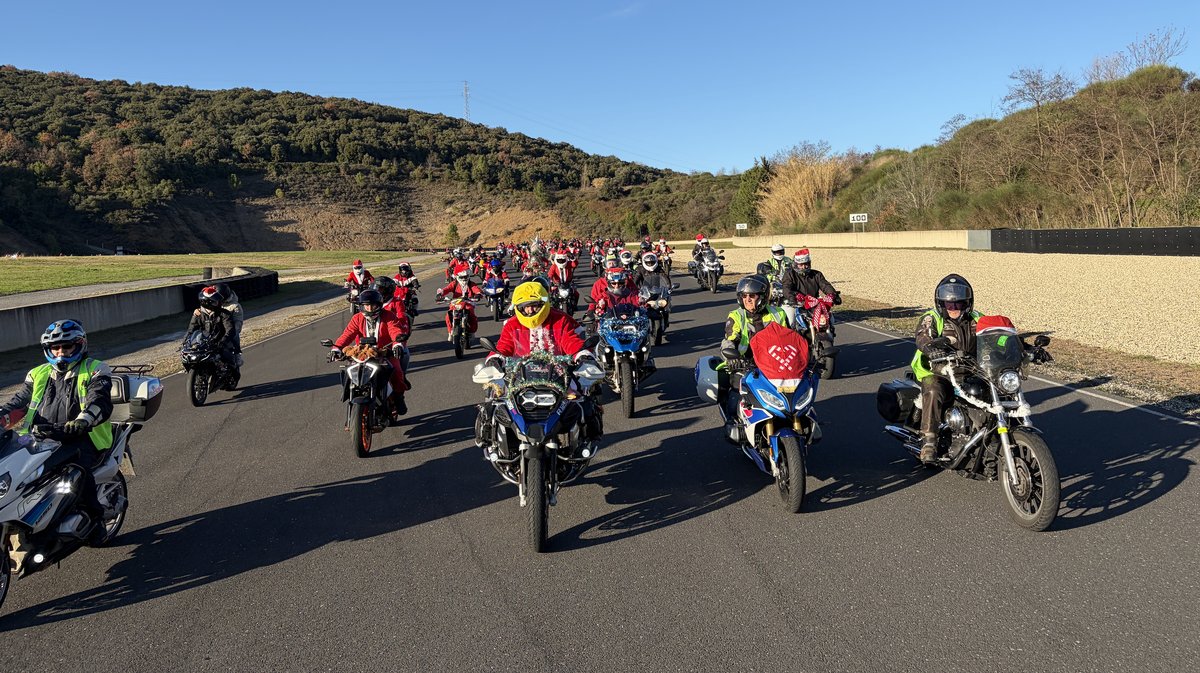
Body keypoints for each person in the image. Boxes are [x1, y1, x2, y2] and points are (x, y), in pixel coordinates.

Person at [0, 320, 114, 525]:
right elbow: (18, 404)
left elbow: (99, 400)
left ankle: (96, 520)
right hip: (38, 437)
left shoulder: (96, 369)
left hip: (82, 437)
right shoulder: (37, 374)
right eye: (55, 347)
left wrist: (83, 420)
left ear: (79, 345)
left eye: (67, 346)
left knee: (76, 472)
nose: (61, 352)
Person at [479, 282, 603, 446]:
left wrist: (582, 355)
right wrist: (495, 358)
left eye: (535, 305)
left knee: (582, 399)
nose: (530, 310)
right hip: (519, 376)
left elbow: (571, 342)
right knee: (494, 398)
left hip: (559, 375)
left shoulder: (560, 320)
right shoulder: (512, 324)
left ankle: (587, 439)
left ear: (544, 304)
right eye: (525, 307)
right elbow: (503, 347)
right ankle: (489, 435)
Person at [911, 274, 984, 463]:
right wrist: (930, 348)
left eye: (958, 303)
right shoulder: (932, 318)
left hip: (972, 371)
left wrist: (1022, 346)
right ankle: (929, 441)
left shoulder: (977, 318)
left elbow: (996, 334)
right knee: (933, 389)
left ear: (967, 303)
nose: (953, 308)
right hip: (941, 371)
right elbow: (923, 335)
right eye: (949, 304)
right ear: (941, 303)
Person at [717, 275, 794, 425]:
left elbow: (791, 339)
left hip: (776, 364)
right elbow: (729, 340)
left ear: (763, 296)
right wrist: (732, 358)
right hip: (746, 364)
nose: (748, 300)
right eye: (744, 296)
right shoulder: (736, 316)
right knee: (735, 394)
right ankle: (734, 424)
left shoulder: (778, 313)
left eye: (752, 296)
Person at [330, 289, 410, 419]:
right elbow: (347, 334)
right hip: (361, 354)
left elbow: (395, 330)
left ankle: (399, 397)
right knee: (348, 372)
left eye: (372, 305)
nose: (369, 308)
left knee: (397, 372)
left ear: (379, 305)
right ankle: (350, 397)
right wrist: (336, 348)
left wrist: (397, 345)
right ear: (361, 306)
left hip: (384, 353)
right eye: (366, 305)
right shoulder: (357, 318)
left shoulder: (389, 316)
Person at [184, 286, 241, 388]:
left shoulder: (224, 314)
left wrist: (222, 341)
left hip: (220, 341)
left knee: (227, 355)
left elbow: (230, 329)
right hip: (205, 341)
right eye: (215, 301)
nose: (218, 303)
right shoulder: (198, 314)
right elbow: (191, 330)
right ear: (207, 302)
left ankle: (232, 368)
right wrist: (185, 342)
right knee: (189, 355)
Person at [781, 248, 841, 325]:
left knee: (830, 320)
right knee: (790, 320)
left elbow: (825, 285)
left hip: (814, 303)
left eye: (806, 264)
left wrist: (833, 295)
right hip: (796, 303)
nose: (804, 267)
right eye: (801, 265)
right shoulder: (789, 274)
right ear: (796, 264)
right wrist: (792, 297)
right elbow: (786, 288)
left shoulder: (817, 274)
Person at [436, 268, 482, 342]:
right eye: (461, 277)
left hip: (468, 302)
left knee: (472, 316)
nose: (464, 279)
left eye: (465, 277)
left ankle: (472, 332)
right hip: (456, 302)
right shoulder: (454, 283)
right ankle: (450, 332)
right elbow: (446, 289)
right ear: (457, 277)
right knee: (448, 316)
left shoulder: (471, 284)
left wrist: (478, 295)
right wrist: (440, 294)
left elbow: (476, 290)